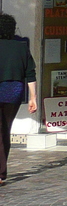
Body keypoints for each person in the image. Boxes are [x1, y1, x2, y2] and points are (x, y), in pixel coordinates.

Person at [0, 13, 37, 186]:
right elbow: (30, 73)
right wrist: (33, 98)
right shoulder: (21, 47)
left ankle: (1, 172)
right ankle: (1, 172)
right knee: (5, 129)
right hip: (13, 91)